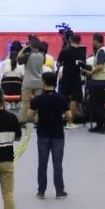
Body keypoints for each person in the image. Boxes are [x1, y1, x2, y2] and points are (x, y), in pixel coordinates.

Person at [27, 71, 70, 199]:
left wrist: (36, 116)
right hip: (58, 135)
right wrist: (62, 117)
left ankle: (41, 191)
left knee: (42, 164)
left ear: (44, 82)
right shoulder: (61, 98)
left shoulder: (38, 99)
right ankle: (59, 191)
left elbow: (29, 116)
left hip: (43, 134)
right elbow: (69, 116)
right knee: (57, 164)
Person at [56, 34, 86, 130]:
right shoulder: (81, 52)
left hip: (65, 76)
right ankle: (70, 122)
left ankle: (62, 118)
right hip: (76, 77)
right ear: (79, 41)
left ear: (70, 40)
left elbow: (58, 64)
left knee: (64, 98)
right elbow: (83, 66)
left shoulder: (64, 50)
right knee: (74, 99)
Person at [85, 34, 105, 133]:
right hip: (104, 80)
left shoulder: (101, 51)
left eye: (93, 40)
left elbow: (100, 66)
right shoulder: (103, 50)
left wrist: (91, 72)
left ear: (96, 41)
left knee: (93, 103)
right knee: (100, 104)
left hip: (100, 81)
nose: (92, 42)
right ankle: (99, 124)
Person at [17, 37, 44, 124]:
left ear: (30, 45)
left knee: (26, 102)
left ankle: (24, 120)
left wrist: (23, 49)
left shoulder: (27, 55)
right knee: (39, 102)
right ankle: (37, 119)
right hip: (39, 81)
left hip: (28, 81)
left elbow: (18, 60)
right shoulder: (42, 55)